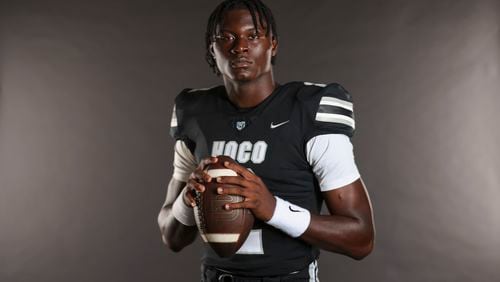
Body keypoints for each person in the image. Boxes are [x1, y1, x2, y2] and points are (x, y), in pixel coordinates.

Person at [157, 0, 375, 281]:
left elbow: (361, 239)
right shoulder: (195, 113)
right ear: (213, 49)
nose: (240, 47)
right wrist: (187, 202)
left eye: (253, 35)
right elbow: (171, 237)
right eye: (226, 37)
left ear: (273, 44)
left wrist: (273, 209)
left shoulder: (308, 110)